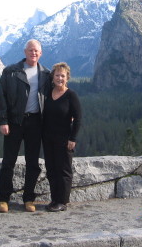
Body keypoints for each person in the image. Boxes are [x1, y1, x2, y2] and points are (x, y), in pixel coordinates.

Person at [0, 39, 51, 213]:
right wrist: (3, 121)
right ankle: (4, 199)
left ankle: (28, 199)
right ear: (25, 52)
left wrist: (70, 114)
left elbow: (55, 97)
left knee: (32, 163)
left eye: (36, 51)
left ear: (40, 53)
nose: (33, 53)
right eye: (30, 50)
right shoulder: (11, 71)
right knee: (8, 161)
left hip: (35, 123)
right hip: (15, 122)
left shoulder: (46, 74)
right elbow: (1, 97)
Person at [42, 62, 82, 212]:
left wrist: (73, 138)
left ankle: (62, 202)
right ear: (52, 77)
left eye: (62, 76)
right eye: (57, 75)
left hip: (64, 139)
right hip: (48, 139)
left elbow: (78, 118)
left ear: (67, 78)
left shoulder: (71, 95)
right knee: (51, 169)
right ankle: (54, 199)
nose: (59, 78)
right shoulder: (47, 93)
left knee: (63, 170)